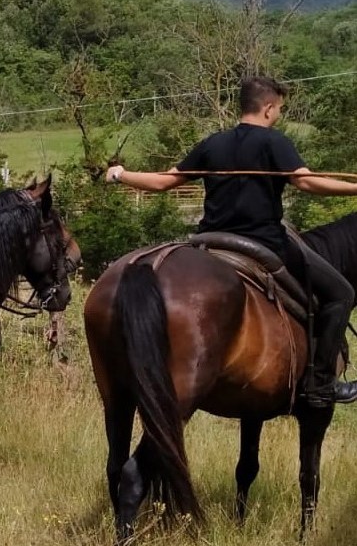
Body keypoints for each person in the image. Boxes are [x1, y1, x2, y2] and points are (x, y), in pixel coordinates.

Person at [106, 75, 357, 409]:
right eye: (279, 109)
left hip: (210, 243)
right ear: (268, 108)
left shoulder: (213, 144)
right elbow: (307, 183)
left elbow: (162, 182)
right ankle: (322, 384)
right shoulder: (274, 142)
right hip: (264, 244)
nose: (278, 114)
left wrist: (121, 174)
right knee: (342, 293)